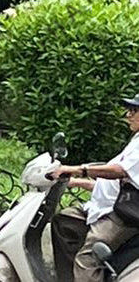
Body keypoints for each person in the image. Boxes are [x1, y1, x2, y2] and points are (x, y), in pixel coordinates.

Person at [52, 95, 139, 282]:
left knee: (88, 258)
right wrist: (75, 182)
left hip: (123, 215)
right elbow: (115, 185)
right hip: (109, 206)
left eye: (134, 110)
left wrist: (78, 170)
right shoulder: (136, 140)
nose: (128, 115)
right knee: (64, 220)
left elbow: (118, 171)